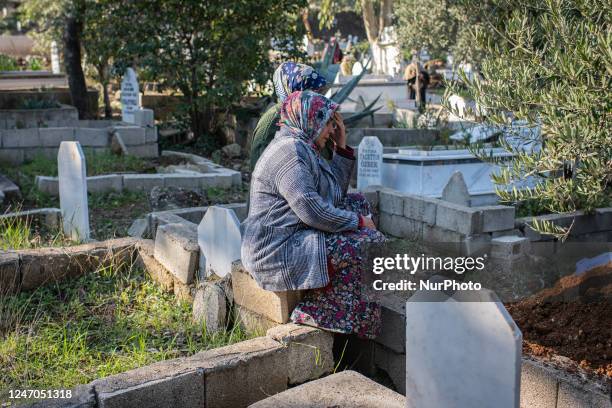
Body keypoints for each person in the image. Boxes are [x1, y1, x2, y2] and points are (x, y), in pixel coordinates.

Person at [242, 90, 386, 339]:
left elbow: (334, 198)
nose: (331, 129)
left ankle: (333, 296)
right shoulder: (290, 152)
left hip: (294, 235)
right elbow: (313, 210)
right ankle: (317, 311)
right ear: (311, 120)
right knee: (369, 244)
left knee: (358, 203)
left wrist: (341, 147)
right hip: (276, 251)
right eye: (328, 123)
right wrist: (359, 223)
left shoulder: (302, 145)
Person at [249, 62, 327, 172]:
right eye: (310, 92)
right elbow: (261, 172)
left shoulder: (309, 118)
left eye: (319, 92)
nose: (317, 99)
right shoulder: (272, 124)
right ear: (293, 92)